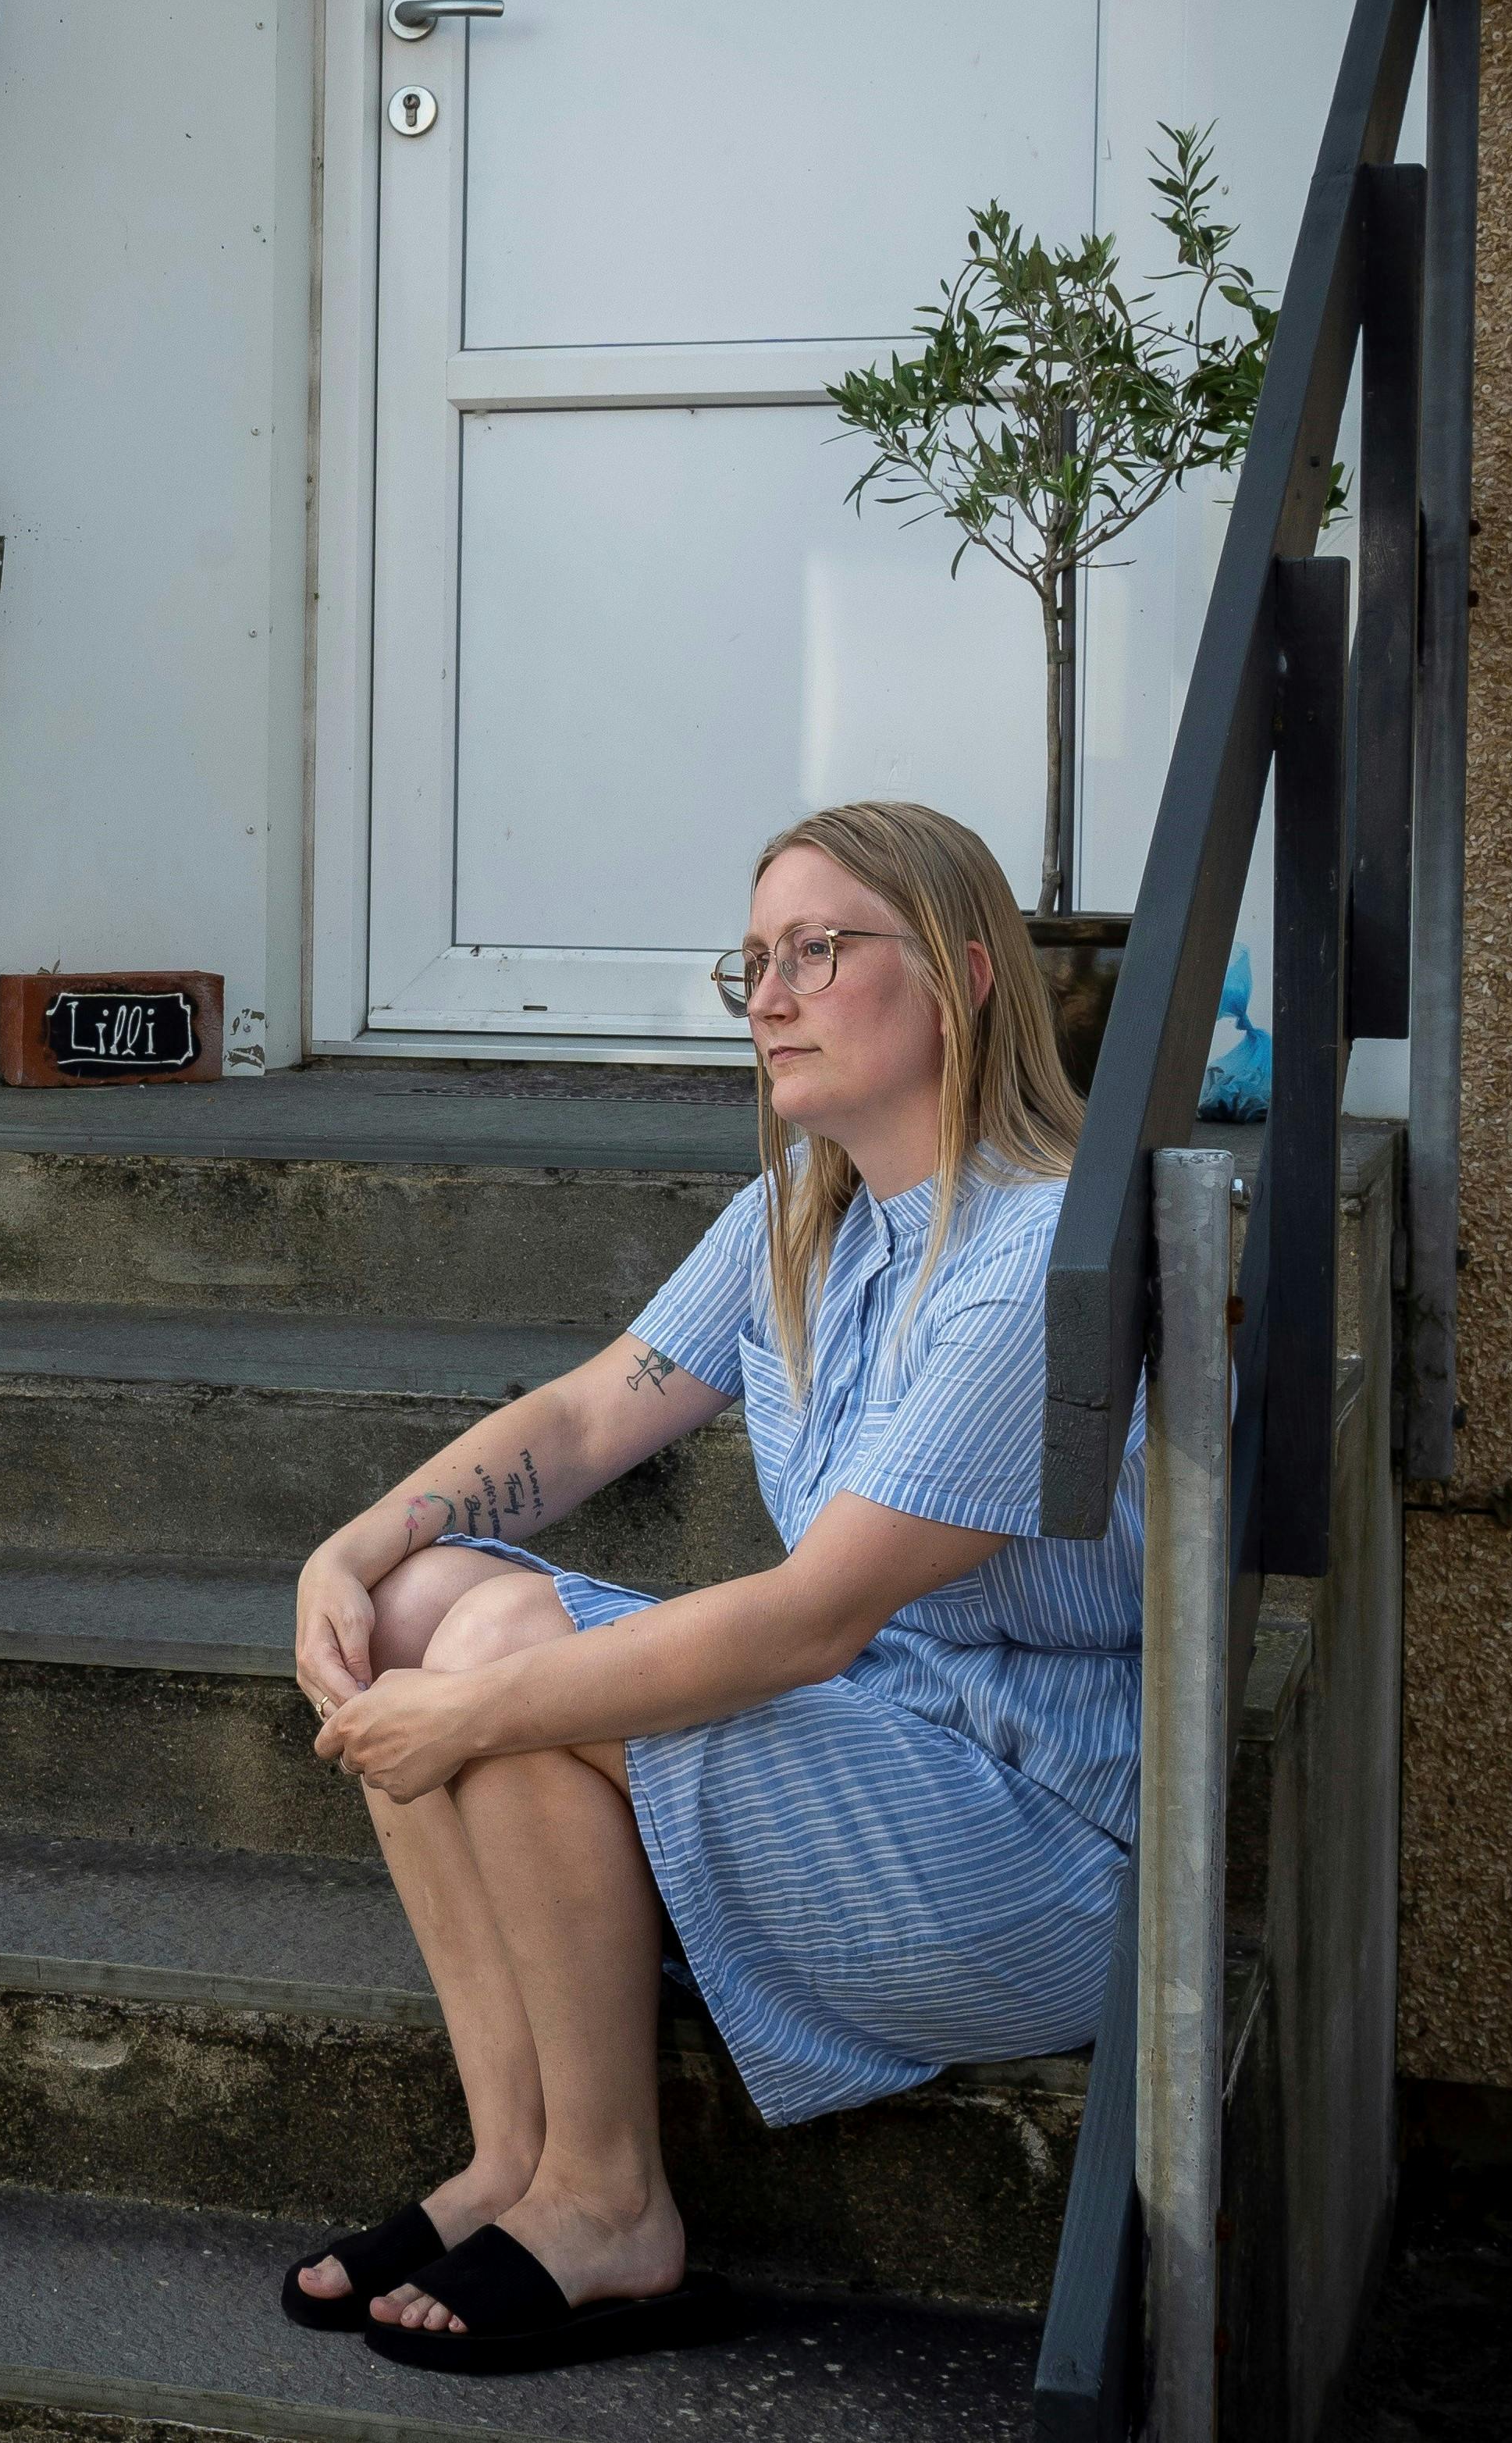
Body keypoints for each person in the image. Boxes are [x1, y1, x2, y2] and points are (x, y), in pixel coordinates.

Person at [283, 799, 1147, 2376]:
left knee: (508, 1673)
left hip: (1036, 1853)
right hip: (875, 1757)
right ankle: (512, 2159)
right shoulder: (802, 1217)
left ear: (959, 975)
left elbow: (808, 1619)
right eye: (749, 962)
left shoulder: (1033, 1263)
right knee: (425, 1602)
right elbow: (580, 1418)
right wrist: (347, 1549)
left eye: (816, 951)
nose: (767, 996)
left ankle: (611, 2207)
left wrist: (474, 1708)